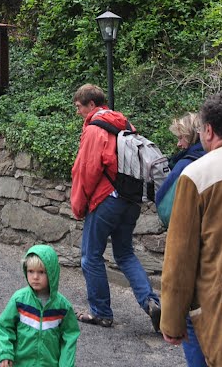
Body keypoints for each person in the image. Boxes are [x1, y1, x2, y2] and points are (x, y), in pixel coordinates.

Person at [71, 83, 160, 330]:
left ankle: (101, 312)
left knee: (91, 256)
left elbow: (86, 171)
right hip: (130, 199)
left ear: (91, 104)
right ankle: (152, 303)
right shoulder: (125, 125)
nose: (78, 112)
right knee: (124, 253)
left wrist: (78, 206)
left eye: (79, 107)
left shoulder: (95, 130)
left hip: (106, 200)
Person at [161, 92, 222, 367]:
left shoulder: (197, 174)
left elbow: (180, 256)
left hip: (221, 308)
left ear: (209, 131)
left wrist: (171, 321)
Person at [155, 113, 206, 367]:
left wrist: (171, 320)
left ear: (195, 136)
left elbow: (165, 207)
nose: (178, 144)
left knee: (190, 319)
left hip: (196, 254)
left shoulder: (188, 166)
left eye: (182, 137)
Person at [0, 244, 79, 367]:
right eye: (30, 271)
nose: (35, 277)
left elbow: (70, 337)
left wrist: (66, 365)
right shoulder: (19, 300)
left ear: (52, 273)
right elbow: (4, 326)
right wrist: (6, 353)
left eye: (41, 272)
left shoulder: (62, 306)